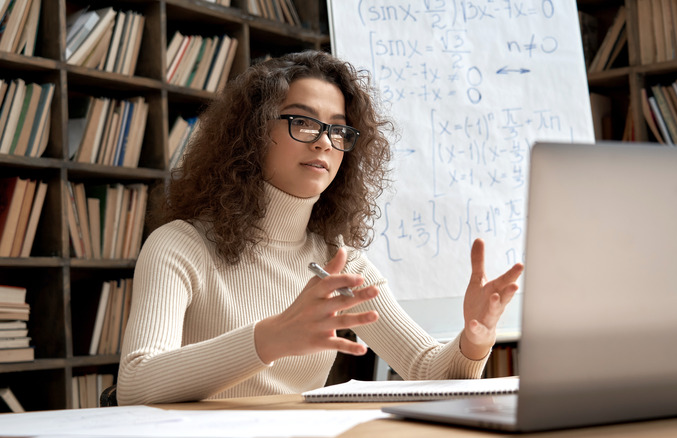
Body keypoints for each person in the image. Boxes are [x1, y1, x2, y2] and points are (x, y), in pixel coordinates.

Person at [117, 51, 524, 405]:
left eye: (338, 129)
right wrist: (270, 338)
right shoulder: (178, 245)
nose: (325, 142)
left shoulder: (341, 263)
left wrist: (475, 338)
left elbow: (427, 371)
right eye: (304, 122)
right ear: (253, 132)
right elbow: (135, 383)